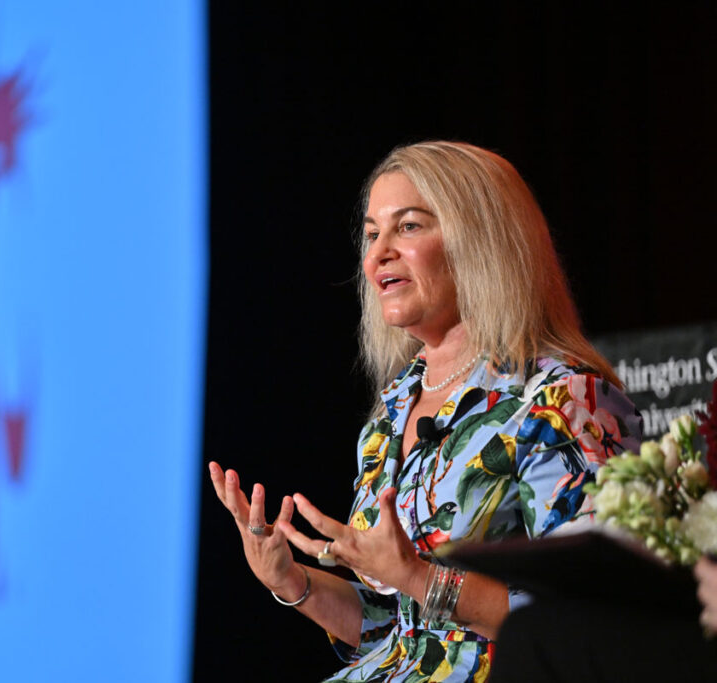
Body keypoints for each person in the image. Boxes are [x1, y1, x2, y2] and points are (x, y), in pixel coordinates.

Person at [209, 141, 643, 682]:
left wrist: (418, 577)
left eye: (408, 227)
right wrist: (293, 583)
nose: (378, 254)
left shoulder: (563, 401)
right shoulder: (389, 416)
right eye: (371, 235)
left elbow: (589, 625)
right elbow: (396, 631)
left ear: (480, 241)